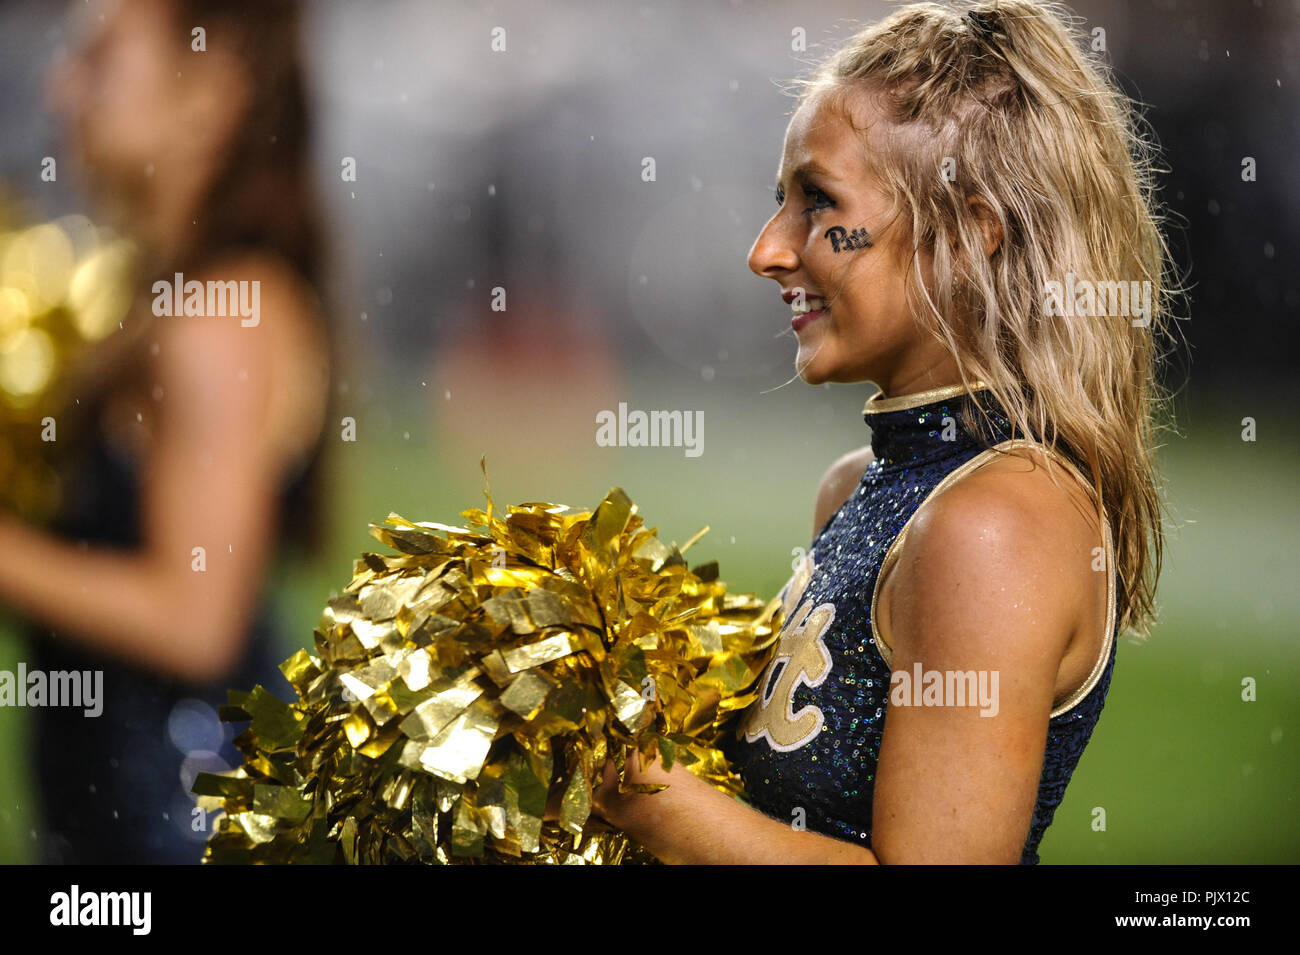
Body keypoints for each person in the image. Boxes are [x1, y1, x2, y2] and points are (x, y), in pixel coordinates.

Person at [587, 0, 1174, 864]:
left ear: (971, 235)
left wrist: (660, 804)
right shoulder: (859, 484)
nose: (767, 250)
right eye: (778, 202)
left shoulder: (995, 526)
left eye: (818, 202)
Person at [0, 0, 331, 863]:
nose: (62, 85)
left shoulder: (219, 320)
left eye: (100, 58)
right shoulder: (166, 299)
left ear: (209, 92)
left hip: (180, 827)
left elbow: (196, 620)